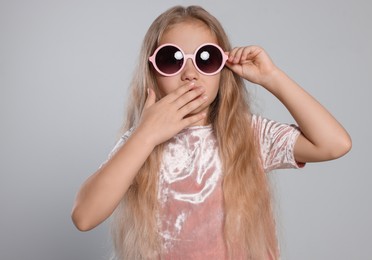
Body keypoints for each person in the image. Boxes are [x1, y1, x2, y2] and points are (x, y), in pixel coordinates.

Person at [71, 5, 351, 260]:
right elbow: (84, 216)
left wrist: (272, 77)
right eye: (172, 59)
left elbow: (334, 144)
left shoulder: (248, 135)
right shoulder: (142, 141)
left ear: (222, 69)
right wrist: (146, 135)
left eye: (206, 58)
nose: (190, 74)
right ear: (153, 71)